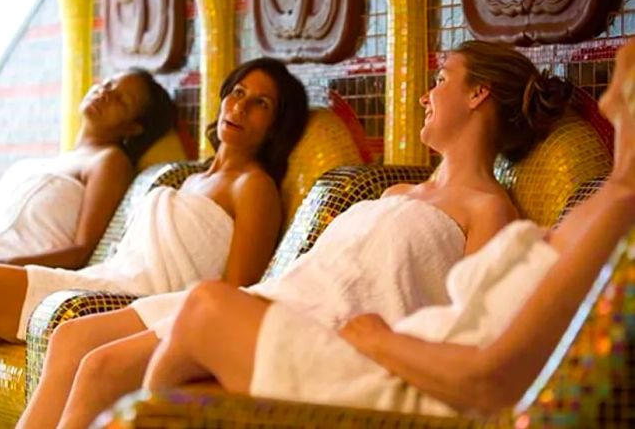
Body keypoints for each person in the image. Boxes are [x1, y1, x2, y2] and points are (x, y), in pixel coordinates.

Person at [17, 41, 573, 429]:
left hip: (320, 334)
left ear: (478, 95)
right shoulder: (394, 193)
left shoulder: (489, 213)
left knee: (108, 372)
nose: (427, 94)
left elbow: (460, 329)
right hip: (276, 300)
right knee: (82, 349)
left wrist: (379, 346)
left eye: (441, 79)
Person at [133, 39, 635, 417]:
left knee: (206, 309)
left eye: (629, 71)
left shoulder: (612, 213)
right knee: (192, 395)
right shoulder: (604, 203)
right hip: (381, 349)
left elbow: (489, 382)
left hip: (395, 379)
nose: (616, 82)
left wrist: (378, 340)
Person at [0, 57, 310, 425]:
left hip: (133, 297)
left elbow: (236, 291)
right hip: (104, 280)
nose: (241, 107)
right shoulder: (192, 178)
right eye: (238, 92)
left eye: (260, 104)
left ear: (276, 126)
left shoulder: (254, 187)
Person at [0, 67, 175, 269]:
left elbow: (82, 252)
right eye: (108, 84)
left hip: (6, 274)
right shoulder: (58, 160)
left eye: (121, 100)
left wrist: (0, 264)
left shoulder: (109, 161)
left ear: (133, 129)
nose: (105, 94)